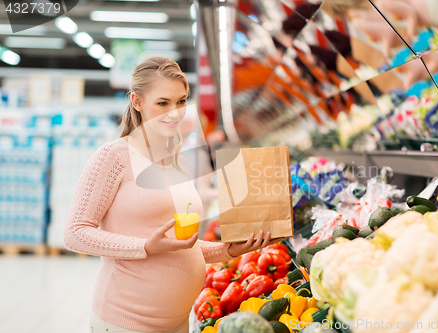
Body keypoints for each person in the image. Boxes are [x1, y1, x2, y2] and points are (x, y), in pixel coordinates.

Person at [63, 57, 282, 333]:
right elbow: (74, 233)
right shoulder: (114, 156)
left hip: (177, 322)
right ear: (137, 102)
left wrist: (226, 250)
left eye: (181, 101)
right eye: (163, 103)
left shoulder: (178, 160)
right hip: (125, 322)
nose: (175, 113)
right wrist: (144, 246)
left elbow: (179, 243)